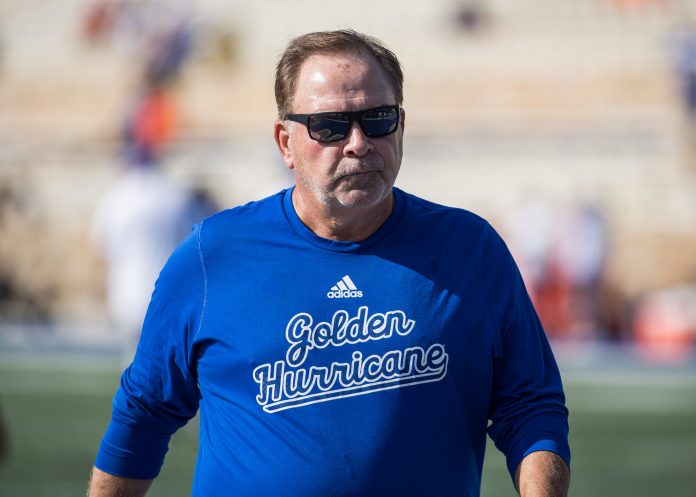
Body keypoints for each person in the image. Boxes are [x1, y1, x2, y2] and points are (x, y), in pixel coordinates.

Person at [88, 30, 570, 497]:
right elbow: (145, 412)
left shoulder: (470, 250)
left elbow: (530, 406)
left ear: (402, 124)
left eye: (377, 119)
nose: (359, 143)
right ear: (285, 143)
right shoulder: (212, 254)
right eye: (330, 126)